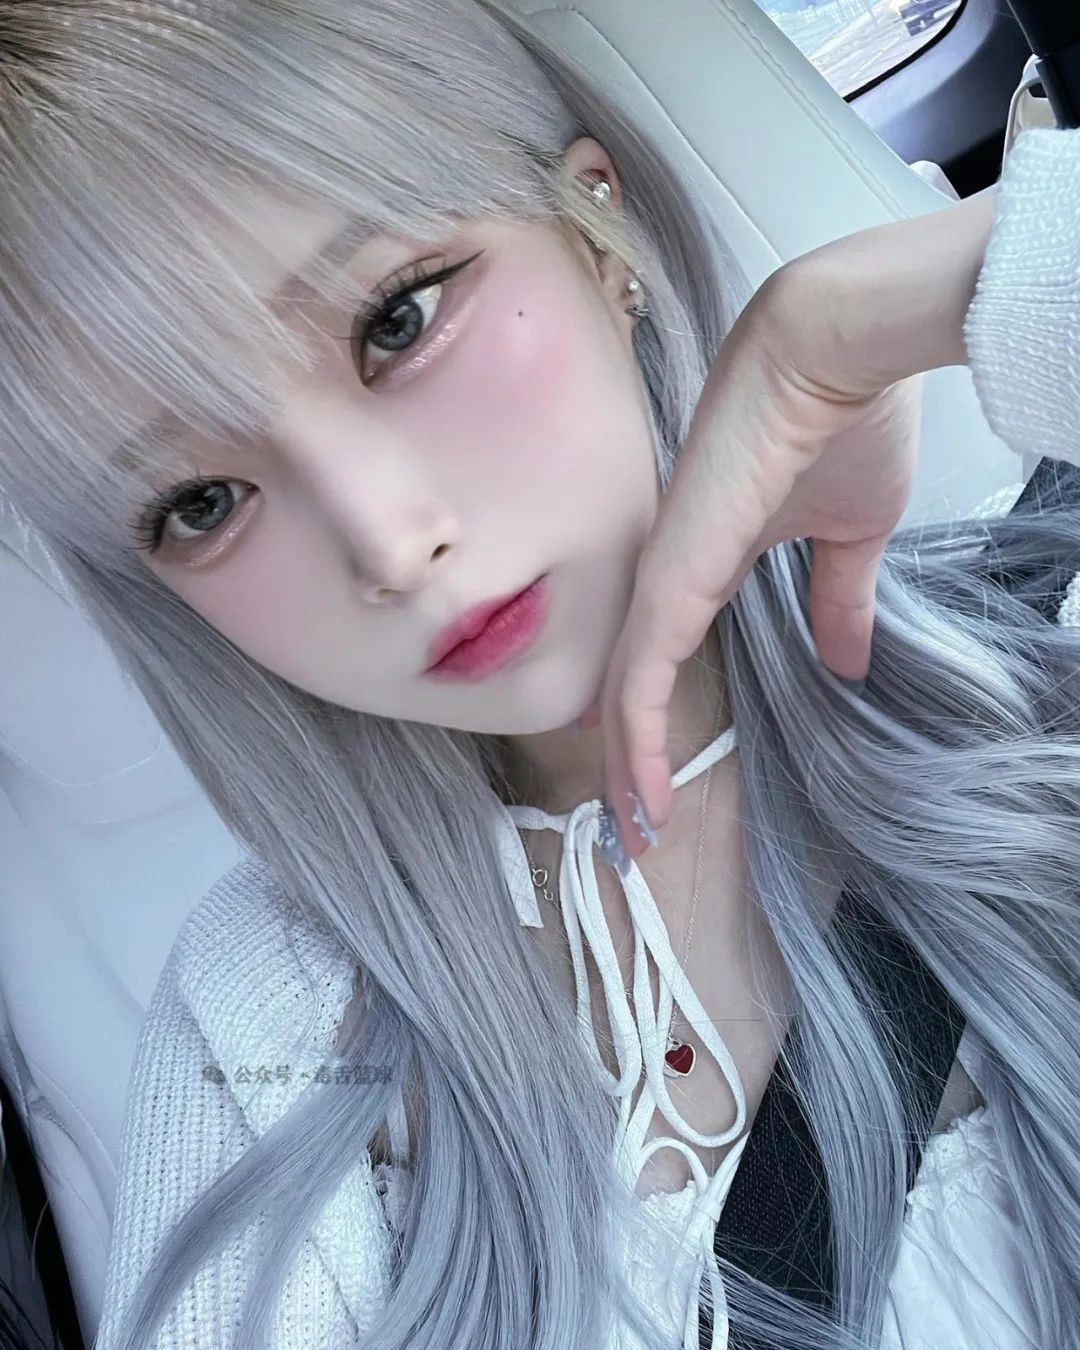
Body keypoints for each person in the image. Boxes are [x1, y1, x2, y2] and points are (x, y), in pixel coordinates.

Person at [0, 3, 1077, 1348]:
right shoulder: (271, 1007)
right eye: (202, 501)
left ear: (596, 232)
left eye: (399, 319)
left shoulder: (1042, 659)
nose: (392, 545)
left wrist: (887, 306)